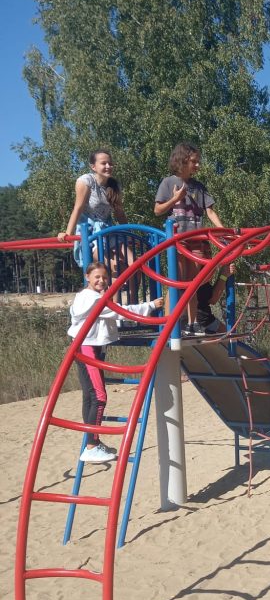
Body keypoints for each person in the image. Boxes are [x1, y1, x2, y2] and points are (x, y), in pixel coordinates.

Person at [68, 262, 164, 463]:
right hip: (87, 348)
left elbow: (112, 313)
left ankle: (92, 441)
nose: (101, 280)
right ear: (87, 277)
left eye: (104, 277)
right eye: (97, 277)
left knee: (90, 396)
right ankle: (92, 446)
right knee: (99, 396)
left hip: (88, 346)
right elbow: (121, 312)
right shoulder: (93, 299)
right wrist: (150, 306)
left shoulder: (88, 297)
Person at [154, 143, 224, 337]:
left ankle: (192, 323)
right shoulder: (168, 182)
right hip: (178, 240)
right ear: (182, 160)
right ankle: (169, 325)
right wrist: (174, 199)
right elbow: (158, 210)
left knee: (193, 283)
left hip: (196, 239)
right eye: (194, 161)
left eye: (198, 161)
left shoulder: (199, 187)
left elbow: (210, 211)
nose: (198, 165)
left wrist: (222, 230)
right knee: (177, 281)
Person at [58, 149, 127, 269]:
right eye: (103, 163)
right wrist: (68, 233)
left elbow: (120, 213)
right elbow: (78, 208)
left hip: (108, 230)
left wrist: (128, 233)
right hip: (90, 233)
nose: (108, 166)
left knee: (134, 264)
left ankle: (126, 283)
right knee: (113, 267)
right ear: (93, 166)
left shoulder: (114, 185)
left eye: (110, 163)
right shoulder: (86, 181)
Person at [196, 263, 235, 335]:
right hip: (201, 321)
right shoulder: (194, 274)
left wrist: (224, 274)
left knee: (230, 334)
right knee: (229, 336)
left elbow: (213, 299)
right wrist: (223, 274)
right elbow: (213, 299)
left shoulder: (203, 279)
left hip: (205, 319)